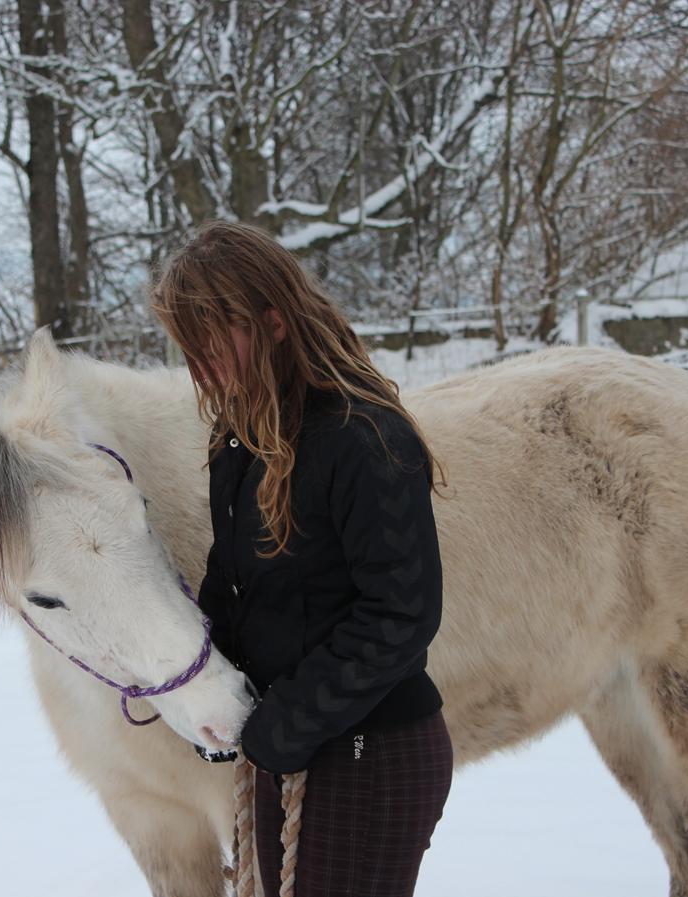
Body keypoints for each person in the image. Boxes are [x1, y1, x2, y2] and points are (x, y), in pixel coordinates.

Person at [150, 220, 452, 896]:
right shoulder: (241, 440)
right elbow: (232, 592)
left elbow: (401, 614)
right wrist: (216, 699)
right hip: (286, 748)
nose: (199, 369)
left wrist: (282, 725)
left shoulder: (364, 435)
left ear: (275, 322)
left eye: (210, 344)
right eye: (187, 350)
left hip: (369, 752)